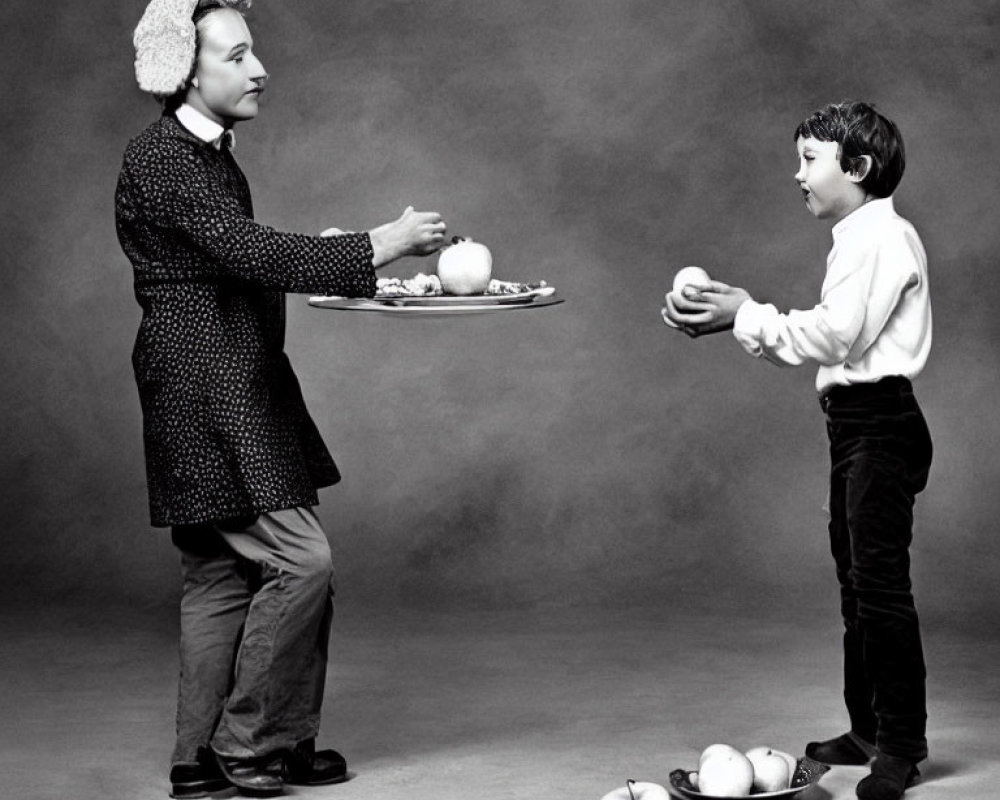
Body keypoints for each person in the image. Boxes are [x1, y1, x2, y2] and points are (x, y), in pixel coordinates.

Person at [115, 1, 447, 796]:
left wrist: (328, 254)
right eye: (236, 55)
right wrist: (378, 246)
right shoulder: (162, 156)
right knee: (302, 561)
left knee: (222, 574)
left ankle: (204, 759)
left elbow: (233, 258)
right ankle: (250, 744)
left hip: (217, 380)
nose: (258, 68)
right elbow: (244, 250)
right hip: (211, 387)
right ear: (186, 70)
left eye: (252, 51)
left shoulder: (207, 156)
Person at [662, 101, 932, 800]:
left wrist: (744, 315)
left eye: (810, 159)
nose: (797, 175)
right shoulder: (858, 235)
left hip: (880, 426)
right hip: (853, 426)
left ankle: (900, 748)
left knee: (879, 590)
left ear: (860, 167)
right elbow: (835, 338)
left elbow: (836, 336)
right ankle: (868, 727)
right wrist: (737, 317)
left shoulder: (879, 239)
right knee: (856, 584)